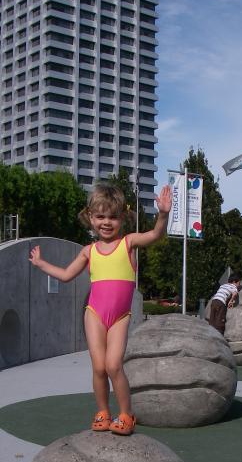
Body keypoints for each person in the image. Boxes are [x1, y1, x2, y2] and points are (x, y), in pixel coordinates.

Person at [29, 183, 172, 436]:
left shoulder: (128, 243)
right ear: (91, 217)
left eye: (113, 217)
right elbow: (66, 275)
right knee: (98, 367)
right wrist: (41, 264)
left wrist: (162, 214)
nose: (106, 222)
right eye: (100, 216)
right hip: (94, 314)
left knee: (113, 365)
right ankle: (103, 411)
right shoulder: (89, 251)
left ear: (123, 218)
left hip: (119, 317)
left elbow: (154, 235)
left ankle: (126, 414)